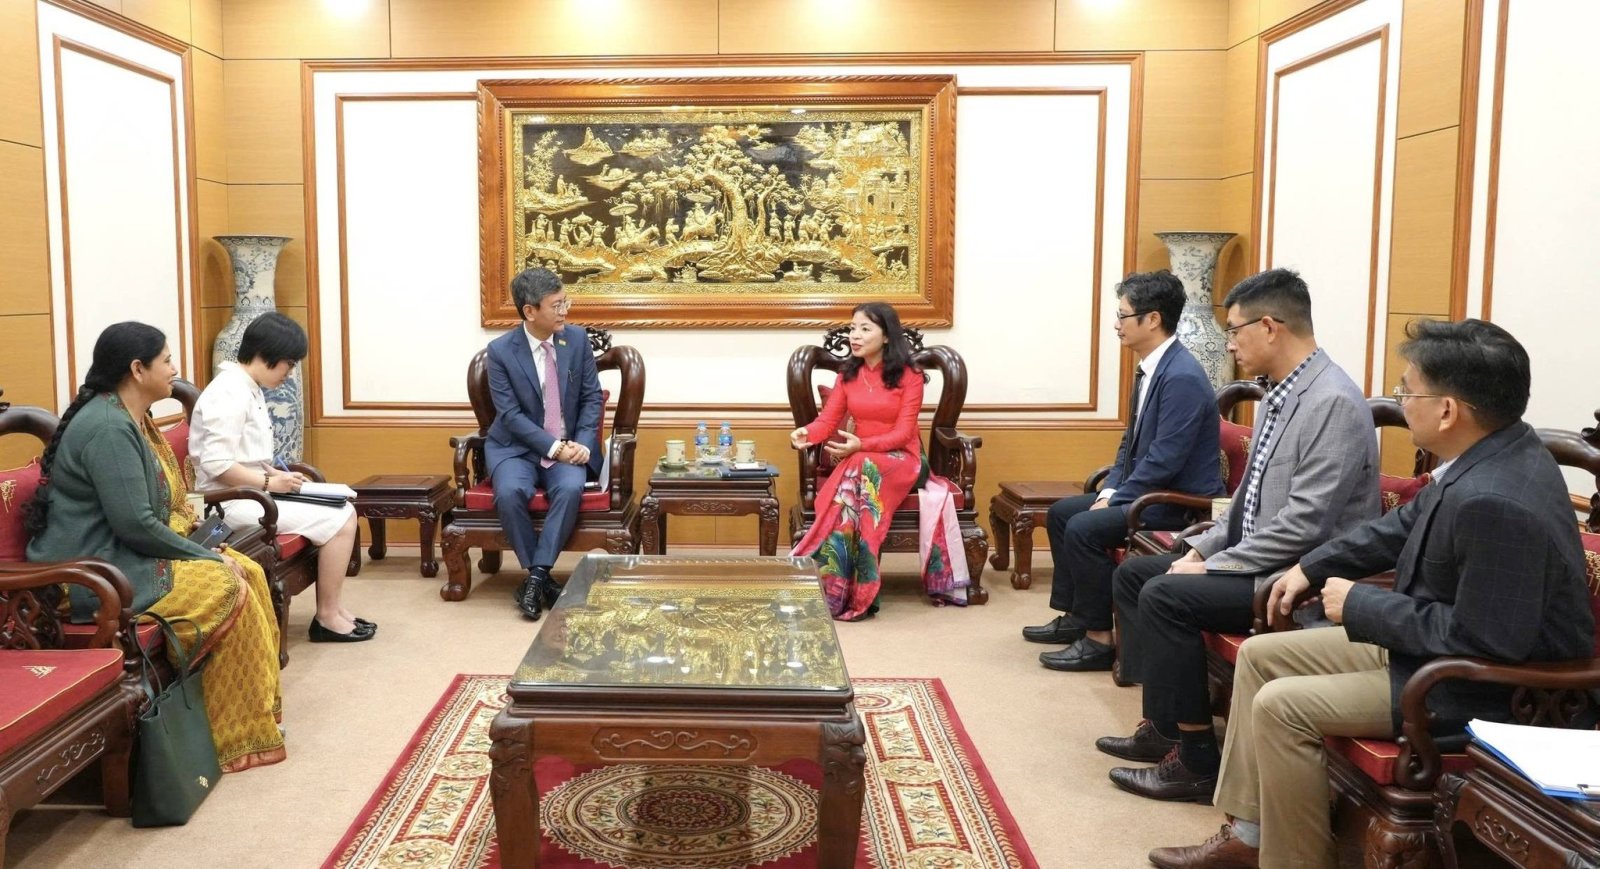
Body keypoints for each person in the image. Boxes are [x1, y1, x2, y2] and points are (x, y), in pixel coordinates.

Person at [1148, 319, 1594, 869]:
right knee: (1261, 659)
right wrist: (1310, 568)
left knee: (1283, 707)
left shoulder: (1496, 499)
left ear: (1449, 409)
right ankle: (1251, 833)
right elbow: (1398, 528)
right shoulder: (1490, 455)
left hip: (1483, 689)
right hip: (1434, 656)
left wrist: (1360, 605)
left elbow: (1488, 640)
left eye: (1409, 390)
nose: (1403, 401)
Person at [1099, 268, 1379, 801]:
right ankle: (1163, 729)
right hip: (1257, 560)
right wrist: (1199, 547)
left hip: (1295, 577)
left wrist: (1213, 567)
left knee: (1166, 595)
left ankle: (1197, 760)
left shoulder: (1333, 402)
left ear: (1270, 327)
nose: (1230, 343)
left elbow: (1305, 523)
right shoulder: (1279, 393)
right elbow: (1245, 500)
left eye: (1235, 330)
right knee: (1139, 575)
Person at [25, 322, 285, 773]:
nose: (175, 368)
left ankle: (251, 721)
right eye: (167, 360)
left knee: (248, 569)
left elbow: (151, 515)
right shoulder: (108, 428)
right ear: (137, 369)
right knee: (226, 583)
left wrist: (205, 548)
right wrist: (206, 554)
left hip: (123, 554)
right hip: (94, 575)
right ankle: (231, 736)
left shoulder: (130, 416)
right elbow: (137, 525)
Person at [1022, 270, 1224, 670]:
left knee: (1085, 528)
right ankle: (1077, 617)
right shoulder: (1153, 367)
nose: (1116, 324)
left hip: (1177, 501)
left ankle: (1099, 639)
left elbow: (1165, 459)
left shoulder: (1181, 376)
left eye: (1122, 315)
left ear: (1152, 319)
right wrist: (1109, 492)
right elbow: (1128, 445)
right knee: (1065, 513)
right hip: (1148, 490)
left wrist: (1121, 498)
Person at [189, 312, 373, 643]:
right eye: (287, 364)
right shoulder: (229, 392)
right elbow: (217, 464)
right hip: (226, 504)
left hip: (249, 491)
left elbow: (241, 453)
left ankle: (333, 609)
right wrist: (267, 483)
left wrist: (270, 473)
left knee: (342, 505)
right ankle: (328, 616)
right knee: (342, 517)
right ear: (266, 355)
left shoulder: (247, 386)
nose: (288, 373)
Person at [789, 302, 967, 620]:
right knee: (860, 470)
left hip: (904, 459)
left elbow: (902, 434)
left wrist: (861, 446)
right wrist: (807, 433)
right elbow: (828, 422)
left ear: (886, 336)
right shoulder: (848, 375)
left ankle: (845, 586)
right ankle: (838, 586)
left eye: (865, 329)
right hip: (862, 460)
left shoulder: (909, 376)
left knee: (860, 467)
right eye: (852, 328)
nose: (854, 336)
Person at [485, 268, 603, 620]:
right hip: (515, 447)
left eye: (564, 301)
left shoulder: (576, 340)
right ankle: (541, 576)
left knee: (569, 488)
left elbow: (591, 398)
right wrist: (553, 447)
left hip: (569, 448)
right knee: (509, 493)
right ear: (530, 311)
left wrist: (581, 444)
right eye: (556, 305)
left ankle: (535, 578)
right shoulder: (500, 351)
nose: (564, 310)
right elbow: (510, 416)